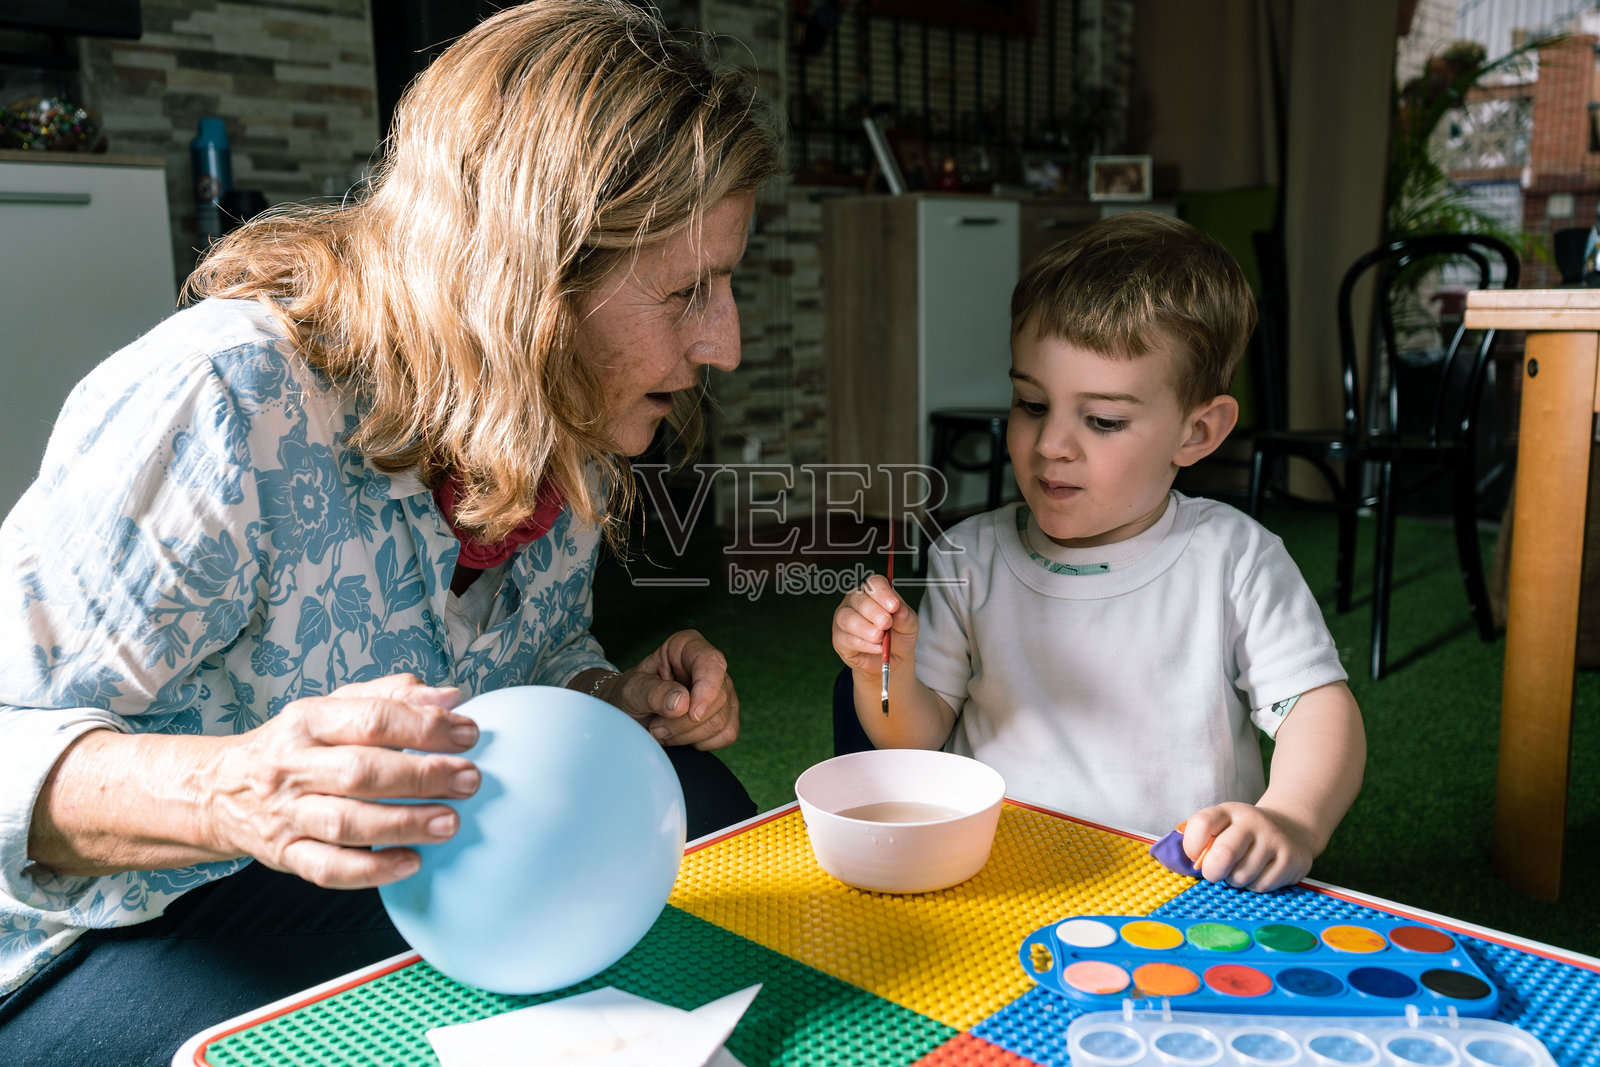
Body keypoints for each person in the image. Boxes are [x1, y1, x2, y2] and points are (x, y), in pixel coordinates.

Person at [0, 2, 780, 1063]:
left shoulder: (564, 410)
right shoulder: (223, 400)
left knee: (700, 805)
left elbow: (531, 661)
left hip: (378, 864)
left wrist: (606, 696)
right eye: (688, 290)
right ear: (529, 280)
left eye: (725, 284)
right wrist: (236, 790)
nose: (724, 343)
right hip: (107, 937)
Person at [832, 212, 1366, 894]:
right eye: (1031, 404)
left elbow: (1319, 711)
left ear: (1197, 432)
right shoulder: (968, 555)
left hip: (1181, 886)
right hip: (997, 880)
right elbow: (915, 740)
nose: (1051, 444)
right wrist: (885, 672)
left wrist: (1293, 817)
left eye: (1103, 420)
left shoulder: (1233, 558)